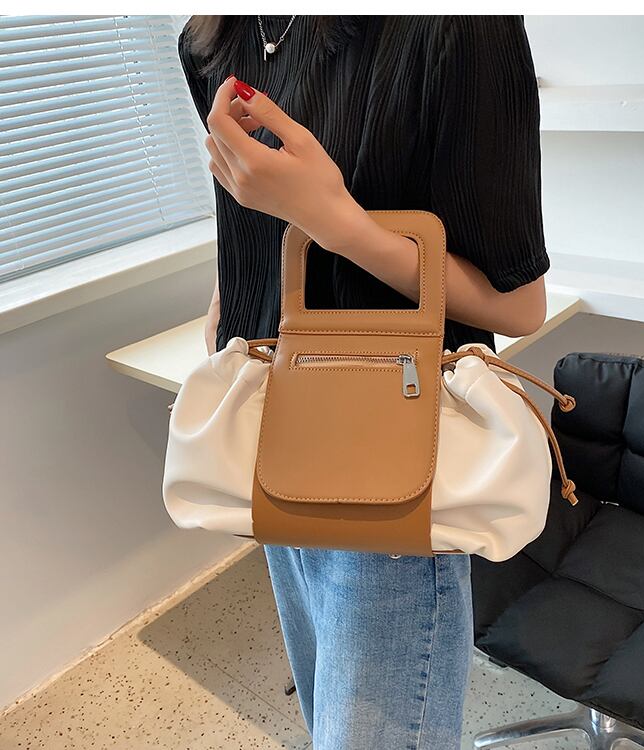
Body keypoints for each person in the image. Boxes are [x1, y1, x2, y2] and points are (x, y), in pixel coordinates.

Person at [178, 15, 550, 749]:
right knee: (327, 721)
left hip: (390, 461)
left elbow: (519, 306)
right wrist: (228, 307)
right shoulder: (213, 36)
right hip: (272, 428)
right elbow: (249, 220)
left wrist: (334, 220)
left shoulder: (457, 28)